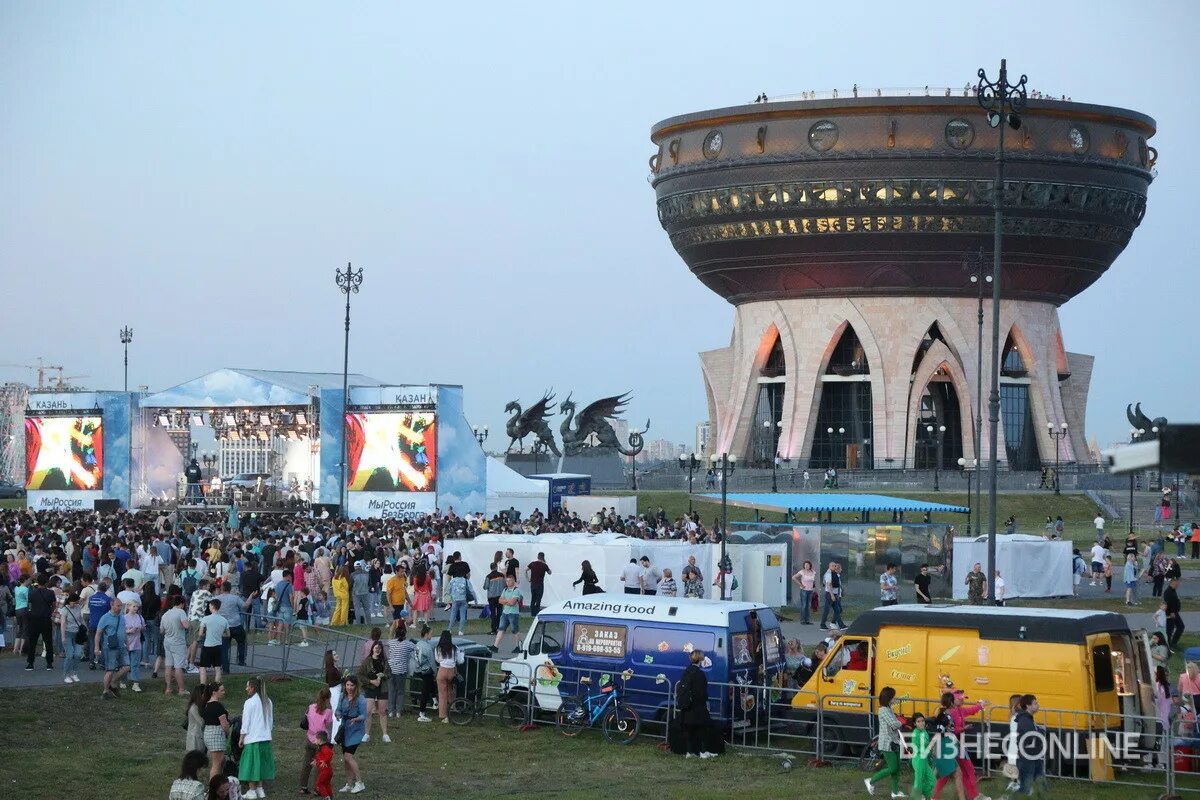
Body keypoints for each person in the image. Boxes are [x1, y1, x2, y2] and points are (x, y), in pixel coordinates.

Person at [932, 690, 987, 800]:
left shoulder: (959, 710)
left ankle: (973, 796)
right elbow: (945, 731)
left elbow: (970, 710)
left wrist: (980, 706)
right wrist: (963, 729)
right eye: (960, 699)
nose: (962, 701)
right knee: (954, 772)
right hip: (952, 745)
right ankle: (933, 796)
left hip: (956, 745)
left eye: (963, 699)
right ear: (952, 701)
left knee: (964, 771)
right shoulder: (948, 714)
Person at [238, 676, 276, 799]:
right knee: (260, 765)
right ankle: (260, 789)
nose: (246, 688)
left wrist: (241, 737)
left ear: (253, 688)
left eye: (248, 686)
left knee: (251, 766)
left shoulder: (249, 702)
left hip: (253, 738)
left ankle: (252, 790)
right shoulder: (268, 701)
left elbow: (246, 722)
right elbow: (270, 722)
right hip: (265, 738)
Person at [676, 648, 717, 759]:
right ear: (700, 659)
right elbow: (701, 692)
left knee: (689, 730)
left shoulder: (687, 671)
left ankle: (690, 752)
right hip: (697, 706)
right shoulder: (699, 674)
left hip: (686, 705)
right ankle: (704, 751)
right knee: (703, 728)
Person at [864, 686, 904, 797]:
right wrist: (902, 722)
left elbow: (894, 722)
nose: (894, 699)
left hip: (894, 742)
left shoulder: (889, 709)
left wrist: (899, 720)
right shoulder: (883, 710)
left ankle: (895, 792)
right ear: (888, 698)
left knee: (897, 768)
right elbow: (894, 724)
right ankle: (870, 780)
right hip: (887, 744)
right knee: (893, 768)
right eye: (893, 697)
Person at [335, 675, 368, 794]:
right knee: (346, 759)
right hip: (345, 729)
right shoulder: (342, 696)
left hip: (356, 730)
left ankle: (359, 783)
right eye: (347, 685)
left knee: (348, 756)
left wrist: (356, 719)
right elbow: (337, 710)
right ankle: (349, 784)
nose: (349, 687)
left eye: (351, 685)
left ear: (356, 686)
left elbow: (364, 715)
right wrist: (338, 715)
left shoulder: (361, 699)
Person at [300, 686, 333, 796]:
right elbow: (327, 724)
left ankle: (303, 786)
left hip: (310, 738)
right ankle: (317, 788)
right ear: (328, 699)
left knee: (307, 763)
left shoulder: (310, 707)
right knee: (319, 765)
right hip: (321, 741)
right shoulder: (328, 711)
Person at [95, 595, 129, 698]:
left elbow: (124, 631)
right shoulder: (105, 618)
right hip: (110, 647)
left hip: (122, 646)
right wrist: (97, 647)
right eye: (118, 606)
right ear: (111, 605)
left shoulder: (122, 617)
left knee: (127, 667)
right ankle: (105, 691)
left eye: (121, 606)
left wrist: (127, 643)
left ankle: (113, 682)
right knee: (110, 670)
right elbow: (98, 633)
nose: (120, 608)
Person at [358, 640, 391, 742]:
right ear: (372, 649)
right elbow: (360, 675)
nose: (378, 650)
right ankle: (366, 734)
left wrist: (383, 676)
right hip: (370, 689)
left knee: (382, 712)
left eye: (380, 648)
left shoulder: (384, 661)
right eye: (376, 648)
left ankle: (385, 734)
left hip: (382, 689)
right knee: (368, 712)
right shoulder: (366, 661)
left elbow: (389, 673)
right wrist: (371, 681)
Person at [23, 574, 56, 672]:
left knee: (33, 641)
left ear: (37, 582)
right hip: (46, 618)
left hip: (34, 618)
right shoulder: (50, 593)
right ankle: (49, 663)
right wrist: (50, 611)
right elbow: (53, 605)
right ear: (46, 582)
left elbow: (29, 605)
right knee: (48, 641)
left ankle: (30, 663)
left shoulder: (32, 592)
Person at [161, 594, 191, 696]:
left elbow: (162, 630)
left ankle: (168, 689)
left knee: (168, 665)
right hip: (178, 642)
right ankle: (181, 690)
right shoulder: (181, 612)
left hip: (167, 641)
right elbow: (186, 625)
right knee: (178, 667)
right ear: (182, 604)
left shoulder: (165, 614)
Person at [1015, 694, 1044, 796]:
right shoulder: (1024, 720)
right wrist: (1041, 733)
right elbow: (1031, 737)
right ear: (1028, 706)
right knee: (1024, 789)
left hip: (1033, 757)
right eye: (1035, 703)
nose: (1038, 705)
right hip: (1027, 759)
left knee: (1041, 785)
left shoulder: (1028, 718)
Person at [434, 629, 464, 723]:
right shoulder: (455, 648)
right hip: (452, 671)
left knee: (442, 694)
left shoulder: (438, 648)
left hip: (442, 671)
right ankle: (452, 710)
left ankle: (443, 716)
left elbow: (438, 660)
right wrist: (463, 654)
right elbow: (460, 661)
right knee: (451, 691)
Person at [385, 619, 414, 718]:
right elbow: (413, 646)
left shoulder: (391, 643)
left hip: (391, 669)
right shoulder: (407, 644)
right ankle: (398, 711)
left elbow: (390, 635)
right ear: (405, 634)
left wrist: (393, 627)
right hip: (401, 670)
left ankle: (390, 711)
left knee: (392, 690)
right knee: (400, 691)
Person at [202, 682, 231, 779]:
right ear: (214, 692)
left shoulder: (207, 705)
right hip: (216, 735)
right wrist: (228, 733)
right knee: (216, 764)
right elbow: (224, 723)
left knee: (218, 762)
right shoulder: (217, 705)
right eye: (221, 690)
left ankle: (218, 783)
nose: (224, 692)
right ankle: (213, 788)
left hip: (208, 733)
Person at [198, 598, 231, 684]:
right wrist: (220, 634)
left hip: (207, 646)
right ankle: (216, 686)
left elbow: (200, 634)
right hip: (218, 646)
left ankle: (203, 686)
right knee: (217, 667)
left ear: (212, 606)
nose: (209, 607)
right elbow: (228, 634)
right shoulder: (224, 620)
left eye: (209, 606)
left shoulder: (205, 619)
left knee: (203, 667)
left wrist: (206, 633)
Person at [59, 591, 86, 684]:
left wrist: (85, 627)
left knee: (78, 654)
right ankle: (66, 674)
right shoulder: (65, 609)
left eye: (76, 602)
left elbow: (80, 618)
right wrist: (63, 637)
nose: (75, 604)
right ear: (69, 601)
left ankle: (74, 673)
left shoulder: (78, 607)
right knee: (69, 655)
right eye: (73, 602)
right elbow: (62, 624)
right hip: (67, 634)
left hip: (77, 634)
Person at [492, 574, 522, 654]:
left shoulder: (516, 590)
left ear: (513, 581)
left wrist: (505, 601)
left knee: (515, 630)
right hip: (505, 613)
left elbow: (512, 602)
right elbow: (499, 600)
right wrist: (508, 601)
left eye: (509, 581)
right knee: (501, 629)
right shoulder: (504, 590)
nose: (507, 582)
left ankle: (518, 646)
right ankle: (495, 646)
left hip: (513, 613)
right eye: (507, 581)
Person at [412, 624, 436, 723]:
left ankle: (435, 701)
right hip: (426, 670)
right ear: (426, 634)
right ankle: (422, 713)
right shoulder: (428, 647)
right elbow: (432, 662)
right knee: (425, 691)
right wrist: (435, 673)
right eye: (431, 634)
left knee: (429, 686)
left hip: (418, 669)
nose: (432, 636)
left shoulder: (418, 644)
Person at [909, 713, 936, 800]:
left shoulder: (925, 732)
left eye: (922, 721)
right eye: (918, 721)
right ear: (914, 724)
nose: (921, 723)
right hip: (918, 760)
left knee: (932, 781)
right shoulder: (915, 733)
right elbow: (916, 749)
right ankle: (916, 797)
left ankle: (925, 796)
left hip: (924, 760)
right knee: (919, 782)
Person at [123, 599, 146, 691]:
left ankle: (135, 683)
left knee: (135, 664)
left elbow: (144, 627)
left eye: (137, 606)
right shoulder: (123, 618)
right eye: (134, 606)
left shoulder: (139, 617)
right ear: (128, 607)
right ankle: (123, 681)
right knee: (125, 665)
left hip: (136, 644)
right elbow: (121, 631)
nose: (136, 608)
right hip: (126, 644)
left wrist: (140, 628)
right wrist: (129, 631)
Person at [820, 561, 846, 630]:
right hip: (830, 594)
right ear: (829, 566)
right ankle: (822, 625)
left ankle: (841, 625)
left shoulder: (833, 573)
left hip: (834, 594)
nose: (834, 567)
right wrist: (832, 595)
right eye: (833, 566)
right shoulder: (829, 574)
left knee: (837, 610)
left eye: (835, 566)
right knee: (827, 610)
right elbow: (829, 585)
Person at [526, 552, 551, 616]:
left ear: (537, 557)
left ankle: (532, 613)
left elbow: (525, 570)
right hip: (540, 584)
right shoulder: (544, 565)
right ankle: (537, 613)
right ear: (543, 557)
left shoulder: (532, 564)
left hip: (533, 584)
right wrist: (545, 563)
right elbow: (550, 572)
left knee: (533, 598)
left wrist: (528, 579)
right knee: (538, 599)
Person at [312, 730, 335, 800]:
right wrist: (315, 761)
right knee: (327, 784)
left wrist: (324, 761)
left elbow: (330, 753)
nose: (314, 740)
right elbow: (320, 755)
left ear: (320, 740)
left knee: (320, 783)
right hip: (327, 771)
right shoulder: (321, 747)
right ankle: (330, 796)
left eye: (316, 738)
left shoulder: (324, 748)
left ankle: (326, 797)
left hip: (325, 771)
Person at [1164, 576, 1184, 649]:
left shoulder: (1173, 590)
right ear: (1172, 583)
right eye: (1177, 584)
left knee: (1181, 626)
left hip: (1175, 612)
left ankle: (1173, 643)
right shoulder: (1168, 592)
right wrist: (1171, 612)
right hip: (1170, 614)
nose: (1178, 585)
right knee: (1169, 630)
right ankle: (1168, 645)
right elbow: (1168, 603)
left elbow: (1174, 601)